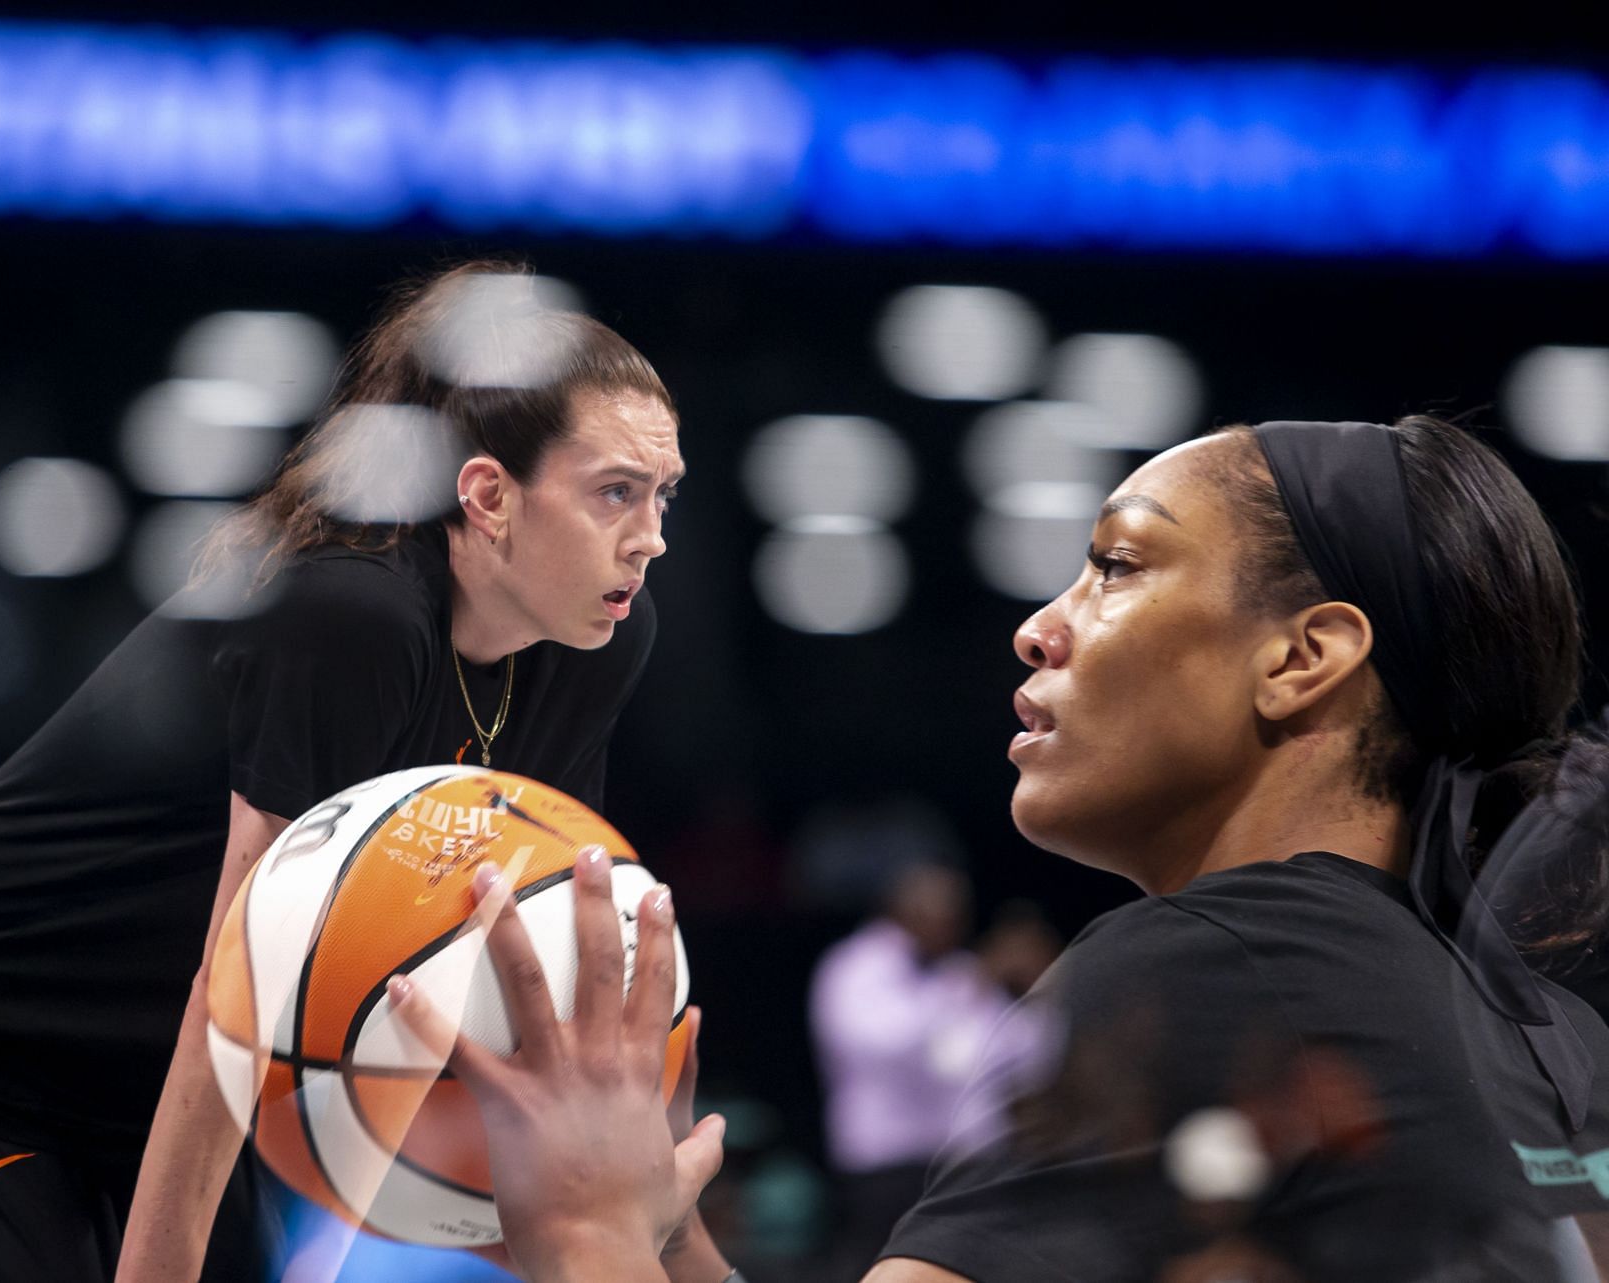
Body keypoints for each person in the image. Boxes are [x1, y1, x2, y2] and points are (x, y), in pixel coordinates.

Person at [401, 415, 1609, 1282]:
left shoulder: (1211, 968)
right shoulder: (1547, 1029)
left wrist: (583, 1234)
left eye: (1118, 564)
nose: (1040, 627)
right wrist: (663, 1238)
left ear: (1305, 657)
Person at [0, 260, 684, 1283]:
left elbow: (481, 960)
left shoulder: (601, 643)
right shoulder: (352, 621)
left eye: (663, 494)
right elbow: (240, 985)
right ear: (489, 496)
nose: (653, 538)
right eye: (615, 493)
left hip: (155, 1076)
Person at [808, 869, 1056, 1282]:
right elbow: (884, 1045)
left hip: (962, 1167)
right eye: (937, 907)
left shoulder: (962, 972)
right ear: (901, 910)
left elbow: (1020, 1058)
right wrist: (974, 984)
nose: (949, 920)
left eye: (956, 910)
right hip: (885, 1168)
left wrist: (1036, 992)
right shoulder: (856, 966)